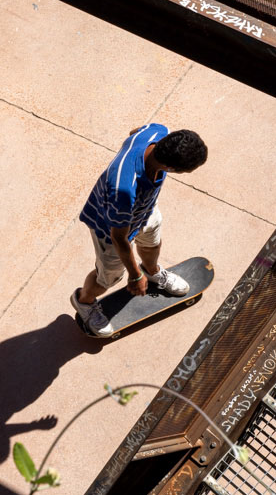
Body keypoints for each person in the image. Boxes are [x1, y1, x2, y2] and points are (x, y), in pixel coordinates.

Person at [72, 125, 209, 337]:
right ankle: (84, 301)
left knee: (152, 243)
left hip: (145, 209)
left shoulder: (158, 132)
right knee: (107, 278)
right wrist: (135, 276)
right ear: (170, 167)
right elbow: (119, 239)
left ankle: (152, 272)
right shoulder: (124, 189)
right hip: (110, 228)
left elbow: (134, 131)